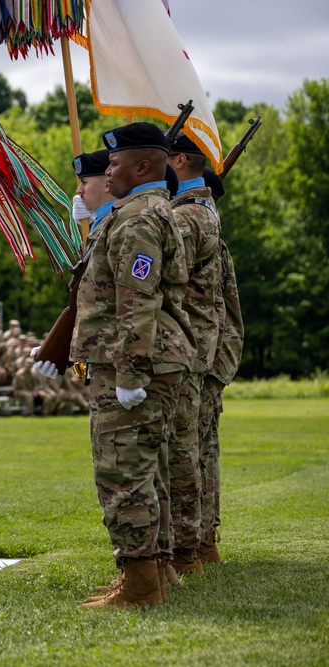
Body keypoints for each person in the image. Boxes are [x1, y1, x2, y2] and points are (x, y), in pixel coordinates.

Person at [38, 123, 194, 609]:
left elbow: (137, 302)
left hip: (133, 364)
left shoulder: (139, 220)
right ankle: (153, 573)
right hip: (142, 359)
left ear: (143, 166)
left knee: (122, 472)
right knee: (144, 470)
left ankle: (142, 585)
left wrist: (128, 374)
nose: (107, 173)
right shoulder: (137, 214)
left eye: (115, 163)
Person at [165, 132, 222, 575]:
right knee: (198, 446)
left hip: (184, 346)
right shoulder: (204, 211)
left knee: (183, 449)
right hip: (204, 345)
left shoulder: (186, 218)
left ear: (178, 160)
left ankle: (188, 548)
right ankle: (201, 542)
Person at [197, 170, 242, 564]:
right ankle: (202, 541)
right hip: (204, 363)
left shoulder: (208, 242)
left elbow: (226, 318)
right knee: (200, 454)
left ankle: (199, 542)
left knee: (195, 455)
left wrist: (214, 373)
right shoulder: (215, 242)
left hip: (199, 365)